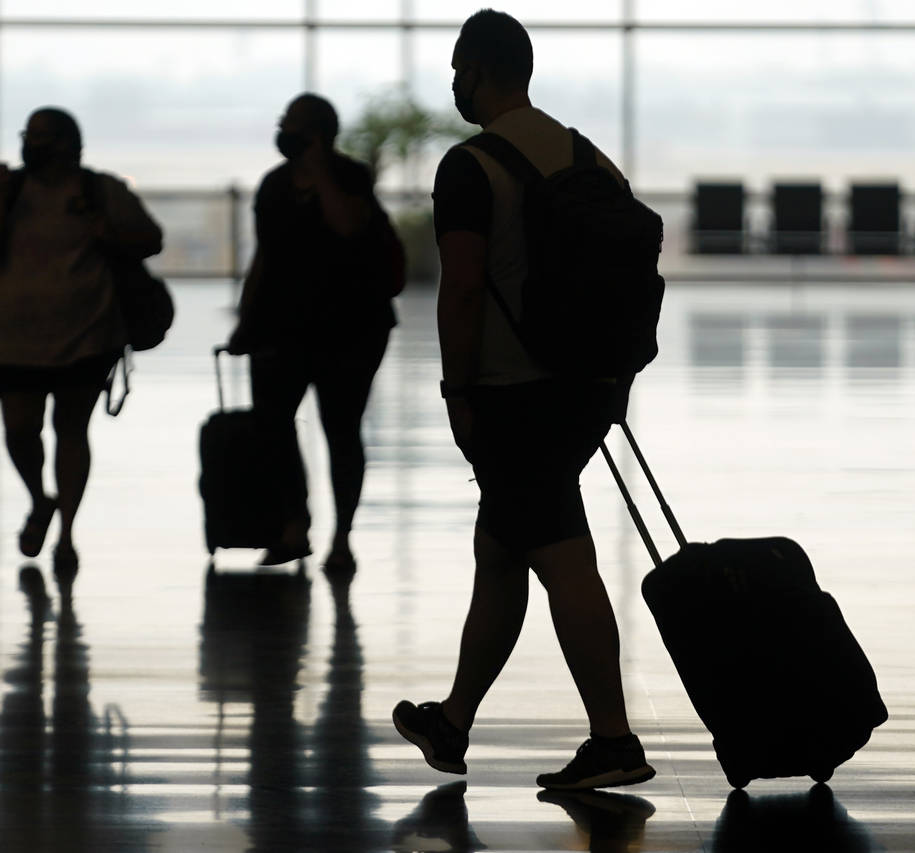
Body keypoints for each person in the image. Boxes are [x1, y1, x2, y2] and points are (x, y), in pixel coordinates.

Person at [392, 9, 655, 791]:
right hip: (586, 389)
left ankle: (614, 740)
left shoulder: (470, 167)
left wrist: (456, 389)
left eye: (456, 69)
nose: (451, 83)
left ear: (478, 70)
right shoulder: (592, 159)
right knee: (502, 550)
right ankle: (453, 722)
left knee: (562, 557)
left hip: (514, 394)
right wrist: (615, 386)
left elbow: (463, 287)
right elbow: (634, 285)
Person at [0, 107, 163, 581]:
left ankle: (67, 532)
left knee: (71, 431)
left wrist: (108, 232)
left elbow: (151, 239)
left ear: (70, 144)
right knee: (20, 430)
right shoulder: (11, 192)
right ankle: (40, 498)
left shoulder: (101, 191)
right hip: (14, 336)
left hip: (87, 332)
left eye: (43, 138)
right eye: (28, 136)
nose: (34, 146)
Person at [227, 93, 395, 573]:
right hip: (282, 327)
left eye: (293, 124)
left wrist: (321, 172)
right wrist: (246, 319)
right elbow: (264, 256)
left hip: (350, 329)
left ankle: (341, 536)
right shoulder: (274, 186)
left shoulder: (350, 178)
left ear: (319, 133)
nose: (284, 130)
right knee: (274, 427)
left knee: (342, 431)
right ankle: (293, 525)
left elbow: (347, 227)